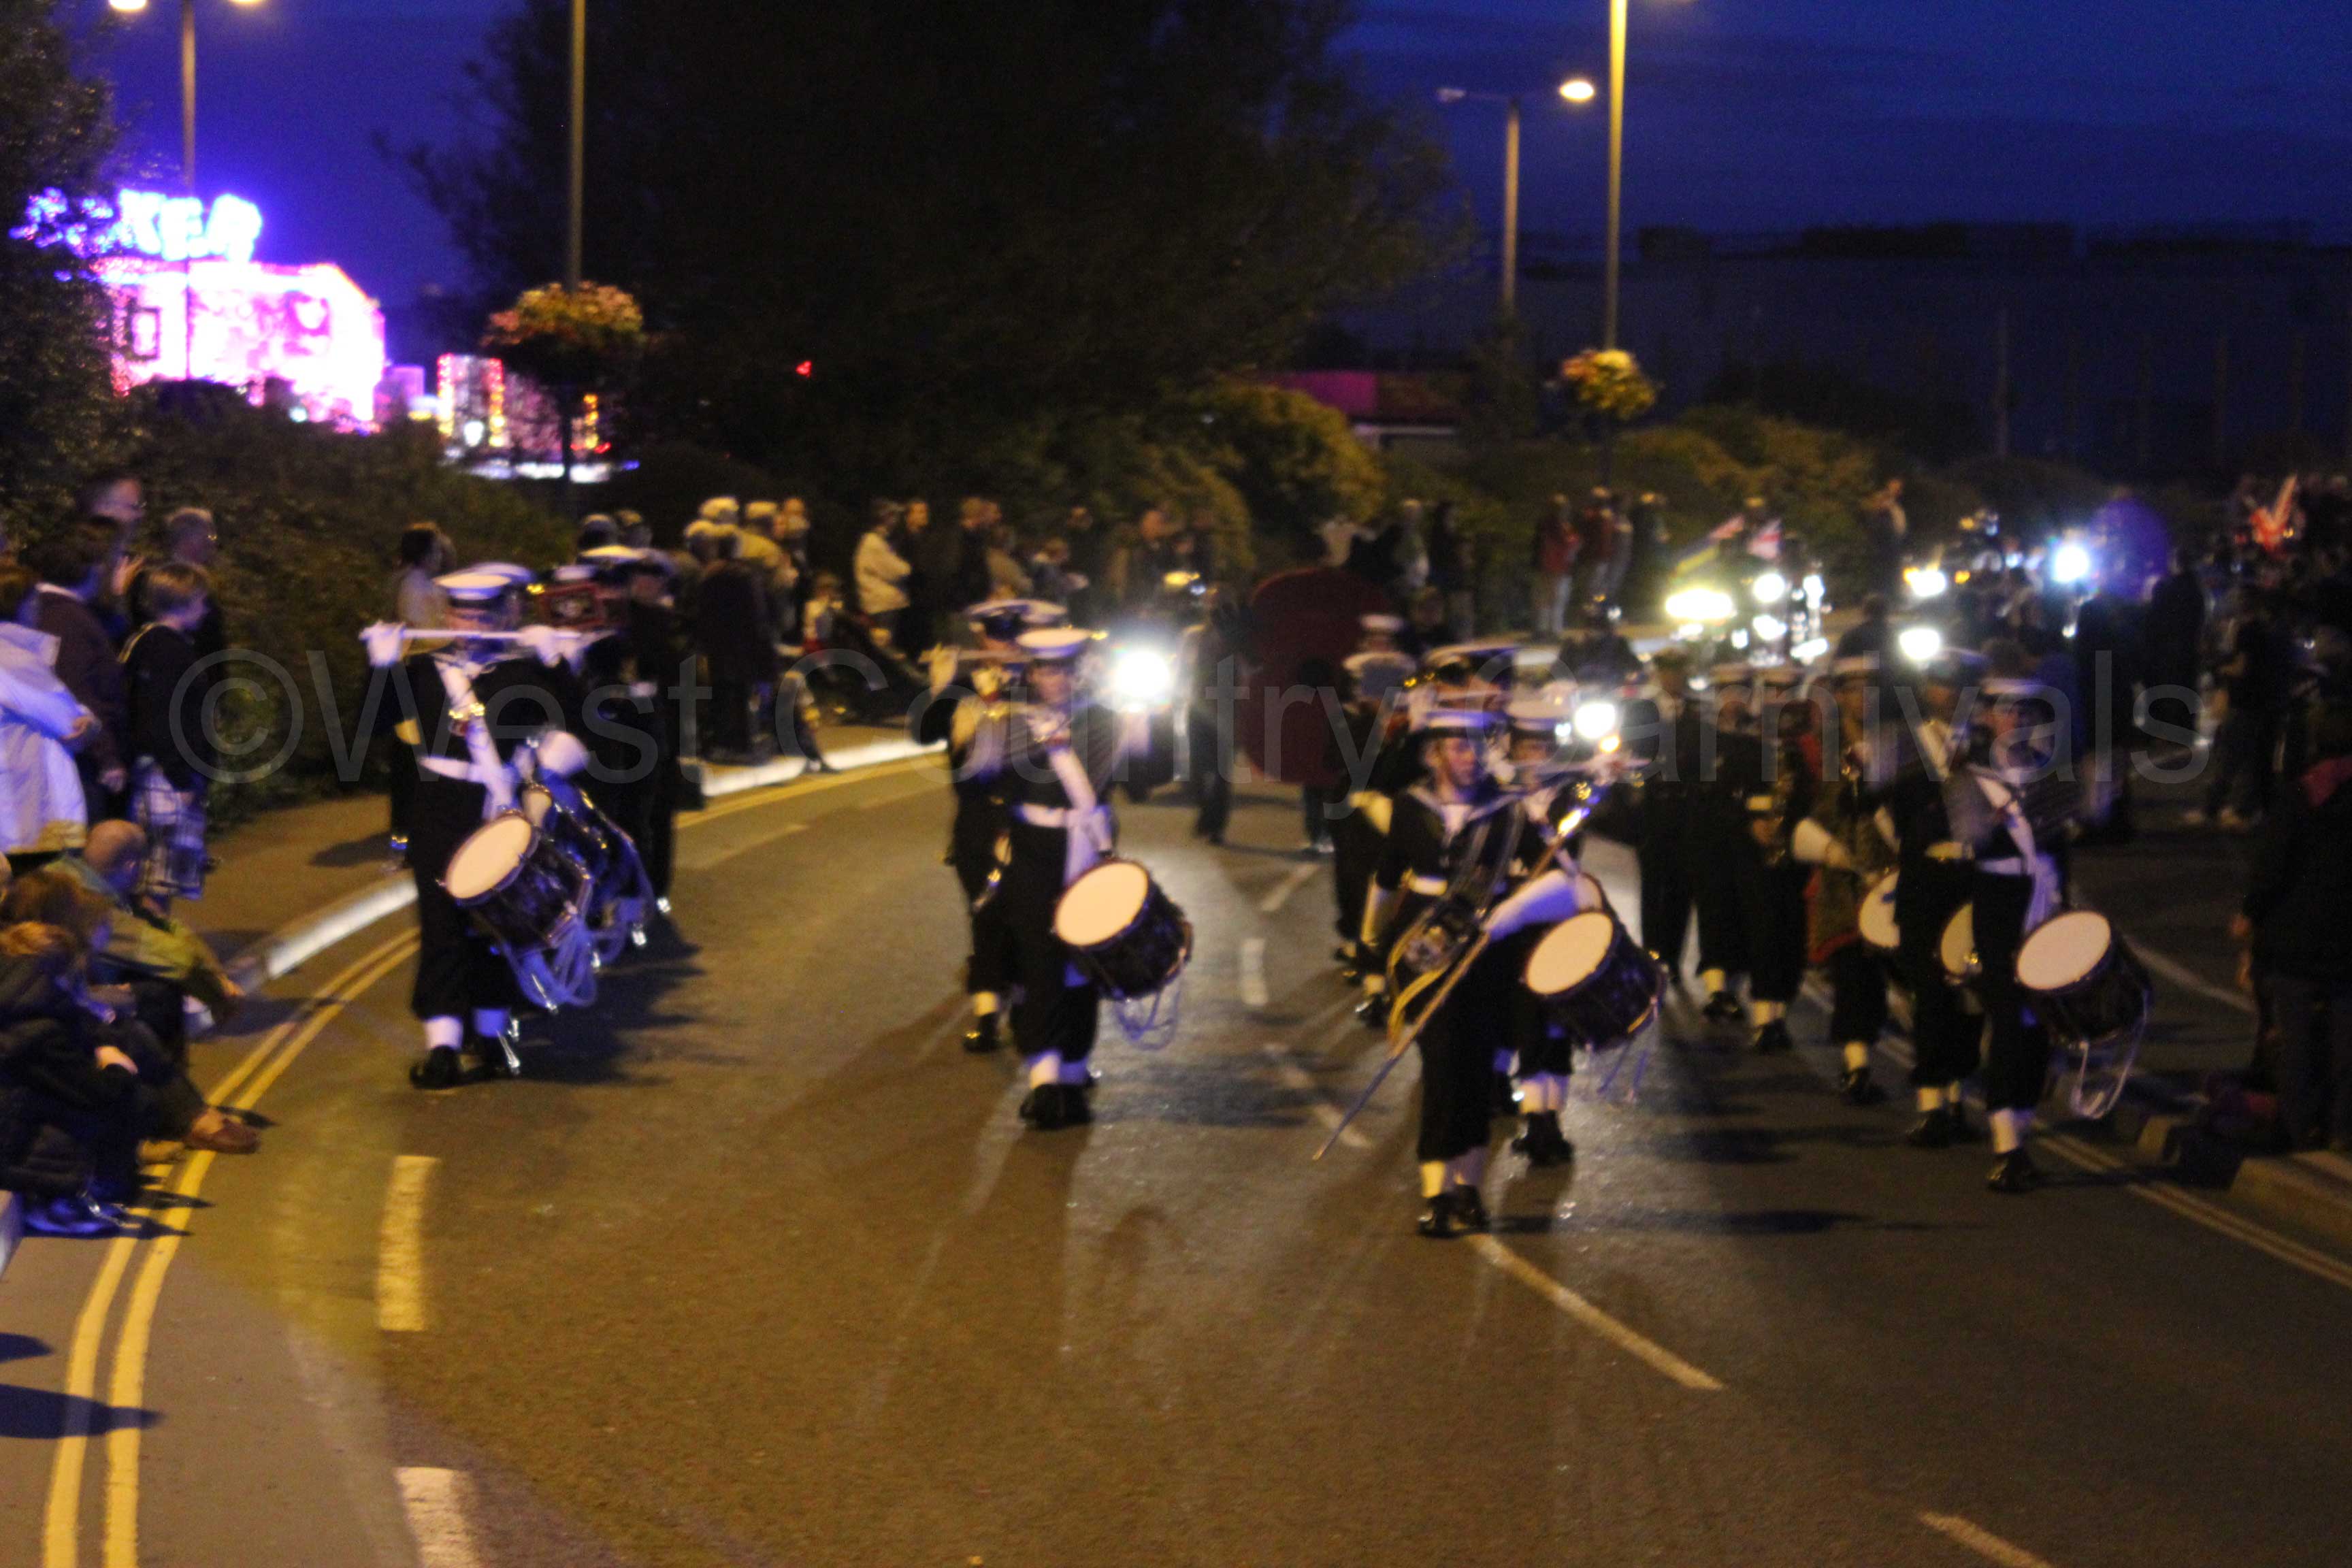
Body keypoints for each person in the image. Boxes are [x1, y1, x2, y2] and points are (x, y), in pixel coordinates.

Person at [1358, 709, 1591, 1235]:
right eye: (1459, 747)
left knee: (1477, 1070)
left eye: (1477, 747)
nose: (1470, 757)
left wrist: (1515, 911)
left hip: (1488, 952)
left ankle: (1468, 1187)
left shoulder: (1508, 811)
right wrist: (1369, 942)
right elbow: (1389, 876)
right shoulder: (1411, 807)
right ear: (1435, 753)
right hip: (1424, 953)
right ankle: (1436, 1191)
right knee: (1443, 1065)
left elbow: (1563, 881)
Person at [361, 569, 585, 1089]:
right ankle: (442, 1047)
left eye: (484, 614)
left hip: (497, 809)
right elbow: (371, 726)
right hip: (438, 810)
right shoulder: (423, 671)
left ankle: (491, 1038)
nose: (473, 623)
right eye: (463, 613)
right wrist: (381, 666)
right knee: (440, 926)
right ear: (447, 615)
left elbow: (580, 724)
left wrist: (559, 664)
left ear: (501, 616)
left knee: (497, 930)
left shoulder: (521, 673)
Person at [958, 627, 1143, 1128]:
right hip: (1035, 854)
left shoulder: (1104, 720)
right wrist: (978, 729)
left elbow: (1144, 781)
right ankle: (1044, 1083)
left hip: (1088, 854)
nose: (1054, 679)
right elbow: (973, 786)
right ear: (1033, 674)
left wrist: (1151, 728)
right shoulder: (1012, 723)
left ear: (1078, 673)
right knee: (1039, 963)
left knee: (1083, 967)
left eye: (1062, 670)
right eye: (1044, 670)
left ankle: (1074, 1077)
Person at [1948, 676, 2079, 1192]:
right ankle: (2005, 1145)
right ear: (1987, 716)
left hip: (2045, 903)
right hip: (2000, 905)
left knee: (2040, 1023)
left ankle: (2019, 1131)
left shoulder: (2051, 773)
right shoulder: (1970, 777)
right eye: (2007, 710)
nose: (2018, 719)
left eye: (2027, 711)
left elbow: (2071, 839)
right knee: (2009, 1018)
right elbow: (1968, 840)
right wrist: (1991, 817)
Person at [914, 600, 1058, 1052]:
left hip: (1026, 819)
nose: (1006, 645)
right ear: (982, 638)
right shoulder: (963, 687)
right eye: (998, 636)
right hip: (977, 817)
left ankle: (1022, 1001)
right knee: (985, 914)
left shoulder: (1038, 686)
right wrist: (939, 688)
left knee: (1026, 918)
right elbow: (925, 733)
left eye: (1014, 637)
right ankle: (986, 1012)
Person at [2238, 703, 2352, 1153]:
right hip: (2346, 938)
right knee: (2346, 1038)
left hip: (2297, 936)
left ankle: (2300, 1125)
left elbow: (2272, 867)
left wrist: (2250, 914)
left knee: (2297, 1036)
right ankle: (2343, 1126)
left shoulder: (2301, 795)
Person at [1793, 656, 1897, 1104]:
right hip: (1844, 877)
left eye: (1869, 689)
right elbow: (1808, 809)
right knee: (1853, 974)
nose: (1861, 698)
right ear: (1838, 696)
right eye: (1852, 690)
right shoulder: (1820, 749)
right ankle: (1857, 1066)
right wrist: (1829, 848)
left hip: (1896, 875)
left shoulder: (1901, 741)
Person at [578, 548, 687, 906]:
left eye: (616, 584)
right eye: (600, 585)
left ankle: (646, 894)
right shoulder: (580, 622)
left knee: (642, 816)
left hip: (640, 732)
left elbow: (663, 678)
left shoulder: (650, 621)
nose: (607, 593)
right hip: (593, 734)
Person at [121, 562, 216, 907]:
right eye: (201, 600)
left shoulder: (151, 642)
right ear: (183, 601)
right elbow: (159, 716)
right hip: (167, 778)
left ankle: (157, 934)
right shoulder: (165, 649)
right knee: (160, 876)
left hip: (164, 772)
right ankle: (155, 937)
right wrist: (181, 778)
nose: (206, 609)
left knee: (159, 872)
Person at [27, 524, 129, 821]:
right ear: (92, 569)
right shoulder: (69, 620)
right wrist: (106, 755)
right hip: (79, 764)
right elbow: (76, 691)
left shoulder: (42, 609)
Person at [2, 565, 95, 872]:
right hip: (27, 813)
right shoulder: (13, 660)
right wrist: (89, 720)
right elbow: (71, 724)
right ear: (22, 604)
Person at [1619, 647, 1696, 983]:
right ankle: (1652, 954)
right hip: (1653, 809)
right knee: (1653, 884)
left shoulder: (1697, 710)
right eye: (1668, 671)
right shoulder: (1641, 710)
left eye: (1678, 671)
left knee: (1682, 886)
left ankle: (1673, 958)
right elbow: (1629, 754)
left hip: (1687, 810)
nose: (1673, 677)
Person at [2189, 586, 2291, 830]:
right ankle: (2242, 809)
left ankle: (2215, 809)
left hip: (2243, 701)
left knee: (2229, 755)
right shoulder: (2266, 631)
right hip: (2260, 702)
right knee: (2250, 758)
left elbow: (2242, 668)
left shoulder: (2247, 631)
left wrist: (2222, 669)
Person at [693, 527, 777, 763]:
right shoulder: (746, 575)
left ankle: (722, 742)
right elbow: (758, 613)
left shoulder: (709, 574)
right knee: (741, 694)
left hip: (718, 644)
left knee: (721, 693)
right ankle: (743, 744)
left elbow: (703, 612)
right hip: (743, 642)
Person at [2141, 547, 2207, 743]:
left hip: (2169, 649)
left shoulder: (2169, 589)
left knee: (2169, 690)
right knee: (2187, 687)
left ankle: (2167, 731)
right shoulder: (2197, 590)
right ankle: (2186, 728)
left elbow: (2156, 619)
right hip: (2189, 647)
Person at [853, 500, 914, 645]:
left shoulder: (879, 541)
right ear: (885, 518)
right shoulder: (874, 543)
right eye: (894, 515)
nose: (897, 520)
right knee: (885, 648)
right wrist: (908, 567)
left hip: (883, 605)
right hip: (883, 606)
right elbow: (898, 571)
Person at [1423, 500, 1475, 641]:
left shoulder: (1446, 532)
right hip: (1450, 580)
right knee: (1456, 615)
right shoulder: (1440, 534)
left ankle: (1458, 639)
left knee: (1456, 615)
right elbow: (1441, 557)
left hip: (1452, 579)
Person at [1532, 494, 1578, 638]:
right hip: (1556, 568)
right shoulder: (1559, 527)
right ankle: (1551, 631)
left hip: (1550, 567)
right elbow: (1567, 545)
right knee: (1555, 600)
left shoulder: (1545, 525)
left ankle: (1544, 630)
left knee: (1546, 600)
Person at [1863, 479, 1908, 602]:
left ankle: (1892, 599)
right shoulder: (1879, 516)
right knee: (1885, 577)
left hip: (1893, 547)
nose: (1898, 492)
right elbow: (1880, 531)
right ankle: (1886, 599)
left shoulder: (1894, 508)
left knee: (1893, 575)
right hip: (1884, 549)